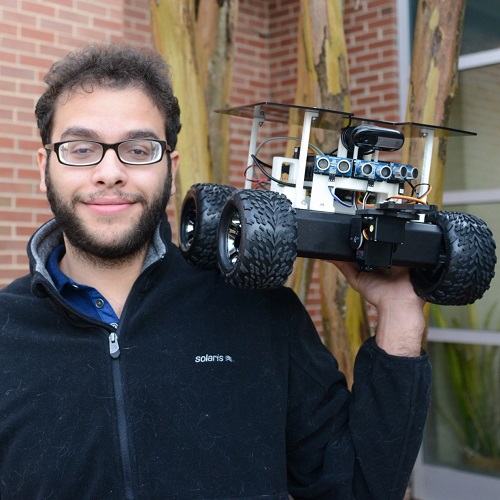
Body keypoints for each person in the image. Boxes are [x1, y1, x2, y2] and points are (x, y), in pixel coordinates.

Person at [0, 42, 430, 499]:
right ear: (45, 164)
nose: (110, 171)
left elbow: (357, 489)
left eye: (139, 148)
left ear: (170, 167)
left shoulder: (260, 311)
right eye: (81, 148)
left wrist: (400, 314)